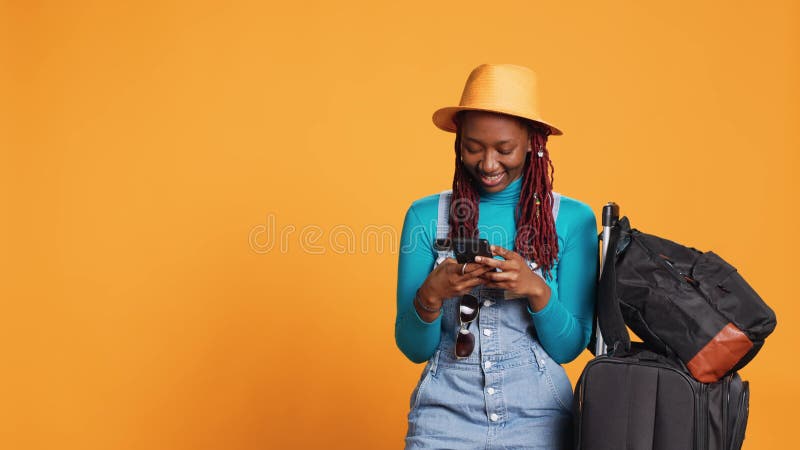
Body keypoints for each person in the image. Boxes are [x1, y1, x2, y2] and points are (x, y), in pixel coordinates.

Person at [395, 63, 598, 449]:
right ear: (459, 143)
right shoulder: (425, 217)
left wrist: (536, 290)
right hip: (443, 417)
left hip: (539, 419)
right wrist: (430, 295)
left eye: (504, 149)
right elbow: (412, 348)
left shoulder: (573, 220)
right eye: (473, 147)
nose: (487, 164)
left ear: (533, 143)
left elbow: (568, 349)